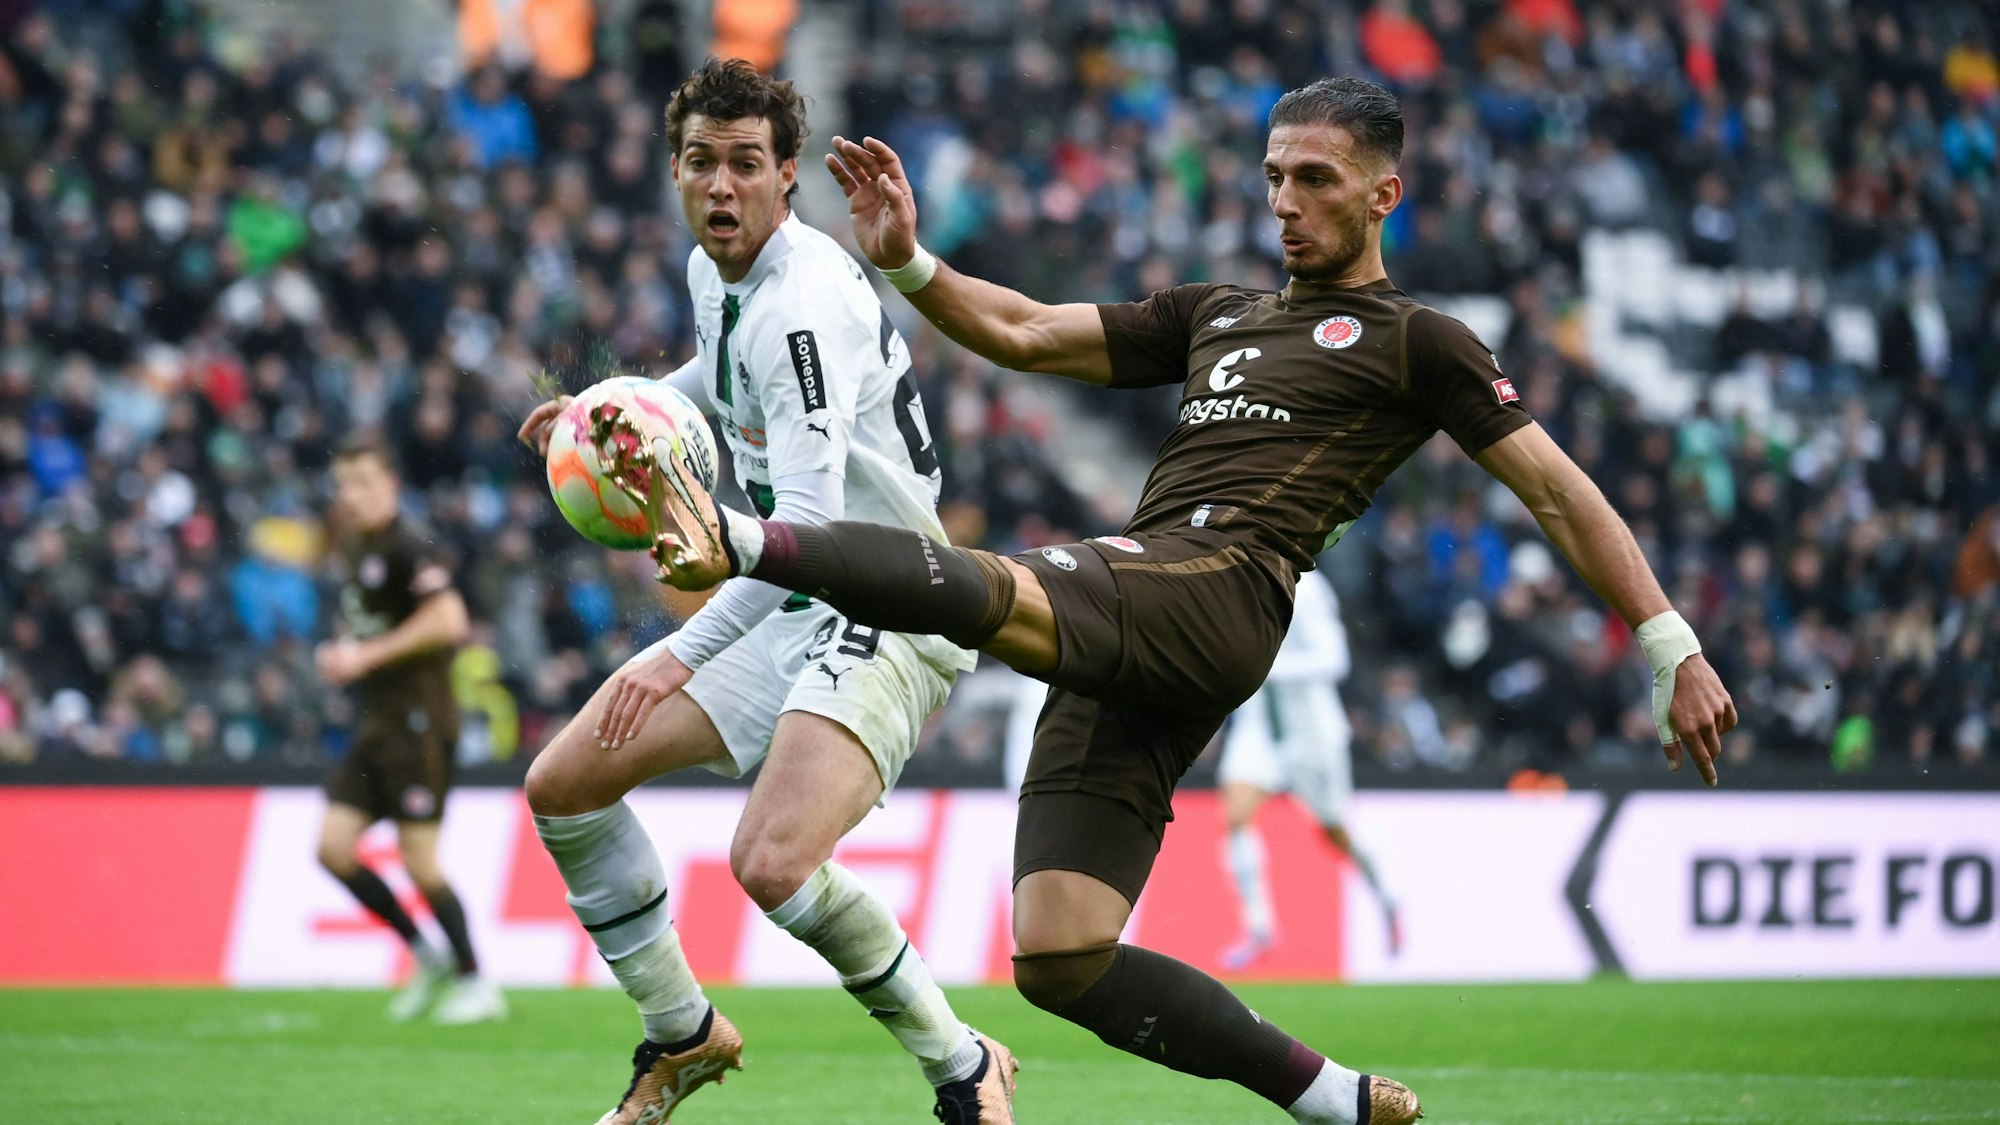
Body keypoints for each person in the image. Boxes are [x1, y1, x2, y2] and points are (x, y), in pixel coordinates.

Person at [606, 76, 1737, 1125]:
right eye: (1272, 177)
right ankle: (1334, 1100)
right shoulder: (1217, 313)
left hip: (1220, 590)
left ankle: (745, 537)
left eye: (1315, 181)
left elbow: (1555, 490)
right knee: (1057, 955)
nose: (1285, 204)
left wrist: (1666, 642)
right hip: (1140, 613)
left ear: (1385, 194)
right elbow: (1026, 332)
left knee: (994, 585)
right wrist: (909, 266)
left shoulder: (1415, 341)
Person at [514, 59, 1013, 1125]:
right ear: (677, 172)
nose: (721, 186)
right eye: (701, 163)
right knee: (565, 784)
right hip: (793, 591)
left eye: (746, 165)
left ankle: (963, 1062)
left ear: (787, 177)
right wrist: (598, 410)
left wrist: (674, 651)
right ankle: (682, 1034)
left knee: (772, 860)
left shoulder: (801, 305)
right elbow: (715, 380)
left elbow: (813, 534)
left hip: (888, 602)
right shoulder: (723, 274)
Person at [314, 439, 504, 1025]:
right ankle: (427, 956)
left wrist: (365, 656)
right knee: (333, 849)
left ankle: (477, 982)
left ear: (392, 484)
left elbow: (450, 621)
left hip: (420, 723)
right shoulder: (359, 546)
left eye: (366, 482)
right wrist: (347, 651)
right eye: (346, 483)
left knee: (419, 860)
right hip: (378, 723)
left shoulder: (407, 543)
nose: (355, 495)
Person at [1215, 569, 1401, 970]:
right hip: (1260, 726)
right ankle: (1259, 928)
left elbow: (1333, 659)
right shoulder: (1234, 583)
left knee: (1335, 831)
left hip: (1311, 732)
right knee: (1235, 818)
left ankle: (1386, 894)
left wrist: (1266, 666)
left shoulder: (1307, 587)